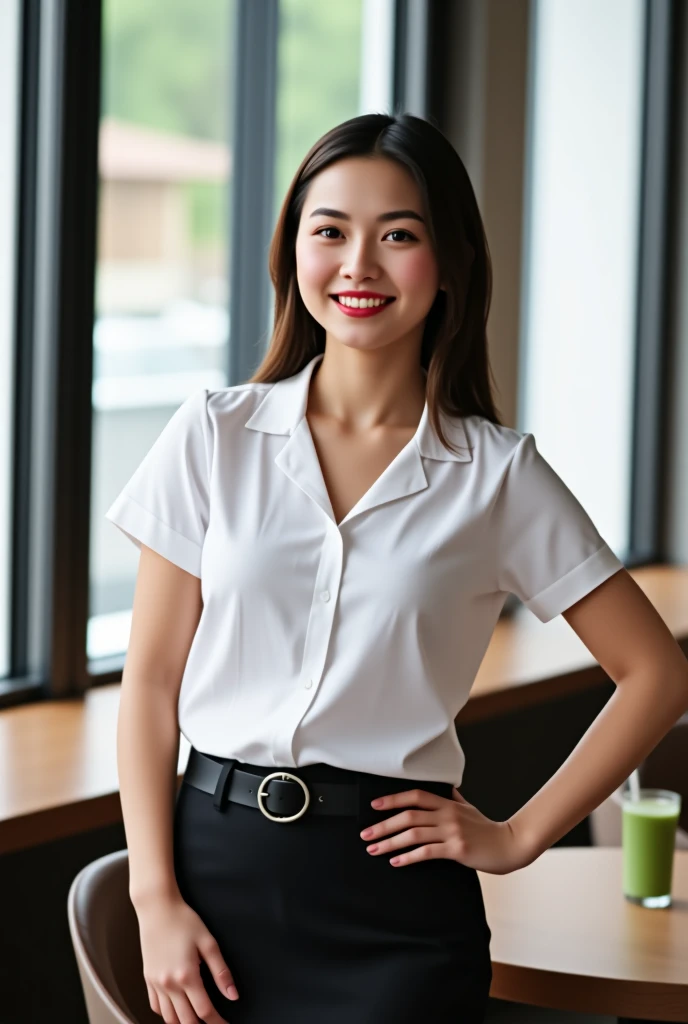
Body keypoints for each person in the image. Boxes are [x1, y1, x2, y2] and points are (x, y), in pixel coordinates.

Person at [105, 112, 688, 1024]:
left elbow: (657, 672)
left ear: (448, 263)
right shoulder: (213, 435)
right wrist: (154, 900)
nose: (358, 266)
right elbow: (149, 685)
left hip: (398, 908)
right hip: (213, 883)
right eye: (329, 230)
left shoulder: (499, 475)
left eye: (399, 236)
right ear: (292, 250)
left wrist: (519, 835)